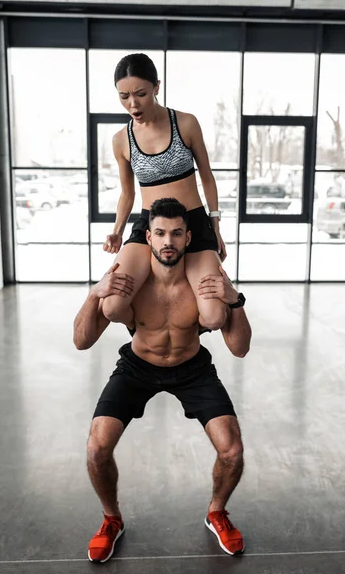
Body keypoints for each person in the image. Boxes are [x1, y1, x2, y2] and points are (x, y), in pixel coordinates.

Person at [74, 198, 252, 564]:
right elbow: (81, 340)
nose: (167, 241)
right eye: (159, 233)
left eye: (175, 233)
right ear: (148, 239)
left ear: (188, 238)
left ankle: (217, 512)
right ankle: (111, 519)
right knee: (96, 448)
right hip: (138, 365)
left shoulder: (203, 282)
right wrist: (96, 291)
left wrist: (236, 300)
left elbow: (240, 348)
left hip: (192, 367)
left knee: (232, 450)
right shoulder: (131, 284)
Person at [101, 52, 228, 332]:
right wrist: (118, 230)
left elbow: (207, 177)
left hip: (193, 222)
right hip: (150, 224)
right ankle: (146, 331)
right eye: (124, 96)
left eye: (141, 93)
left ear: (156, 87)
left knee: (216, 316)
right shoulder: (121, 140)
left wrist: (215, 226)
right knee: (111, 306)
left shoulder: (186, 123)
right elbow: (127, 193)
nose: (132, 103)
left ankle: (183, 337)